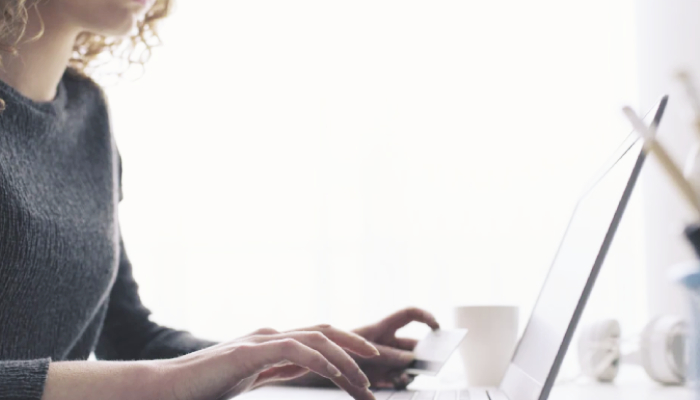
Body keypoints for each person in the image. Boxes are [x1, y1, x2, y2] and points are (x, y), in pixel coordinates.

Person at [0, 1, 441, 399]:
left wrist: (294, 358)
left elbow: (132, 336)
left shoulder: (87, 113)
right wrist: (160, 382)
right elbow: (153, 372)